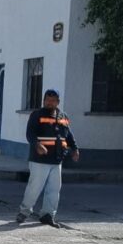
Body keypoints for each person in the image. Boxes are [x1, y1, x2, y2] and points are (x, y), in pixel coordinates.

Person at [16, 89, 80, 228]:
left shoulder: (63, 116)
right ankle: (24, 212)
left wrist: (74, 148)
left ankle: (47, 215)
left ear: (58, 102)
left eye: (53, 100)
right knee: (35, 187)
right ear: (44, 101)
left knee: (54, 189)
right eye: (47, 100)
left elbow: (68, 135)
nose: (50, 102)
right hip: (40, 159)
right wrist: (37, 145)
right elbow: (30, 134)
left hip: (57, 160)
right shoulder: (36, 115)